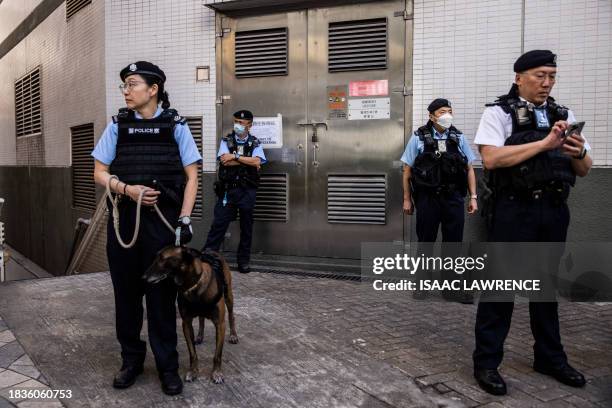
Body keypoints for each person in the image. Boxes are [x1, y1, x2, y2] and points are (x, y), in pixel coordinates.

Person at [473, 50, 592, 396]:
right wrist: (545, 143)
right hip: (515, 211)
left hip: (553, 210)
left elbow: (583, 169)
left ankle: (550, 358)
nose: (547, 82)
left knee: (545, 289)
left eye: (552, 76)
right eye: (540, 75)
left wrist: (578, 151)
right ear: (519, 77)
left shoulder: (563, 114)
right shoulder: (498, 112)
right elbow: (491, 158)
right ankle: (486, 362)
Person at [92, 61, 202, 395]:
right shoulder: (117, 126)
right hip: (125, 224)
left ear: (153, 89)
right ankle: (131, 362)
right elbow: (99, 172)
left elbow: (192, 176)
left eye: (132, 84)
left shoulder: (175, 126)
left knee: (161, 300)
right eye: (124, 85)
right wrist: (128, 189)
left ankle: (168, 367)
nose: (126, 90)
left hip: (163, 227)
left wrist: (184, 219)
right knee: (126, 298)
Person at [401, 98, 478, 301]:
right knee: (426, 242)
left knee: (453, 243)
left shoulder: (458, 137)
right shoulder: (418, 137)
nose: (447, 115)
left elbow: (469, 169)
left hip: (453, 197)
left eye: (450, 111)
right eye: (442, 111)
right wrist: (407, 199)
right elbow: (407, 171)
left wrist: (474, 197)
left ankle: (451, 288)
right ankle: (421, 285)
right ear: (432, 115)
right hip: (428, 199)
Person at [203, 110, 266, 274]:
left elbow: (258, 161)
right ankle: (207, 259)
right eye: (236, 121)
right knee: (218, 225)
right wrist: (246, 160)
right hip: (228, 192)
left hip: (247, 192)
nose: (238, 125)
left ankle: (243, 261)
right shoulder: (226, 141)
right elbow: (224, 161)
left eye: (242, 122)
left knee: (246, 228)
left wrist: (235, 157)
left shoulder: (256, 143)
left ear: (249, 125)